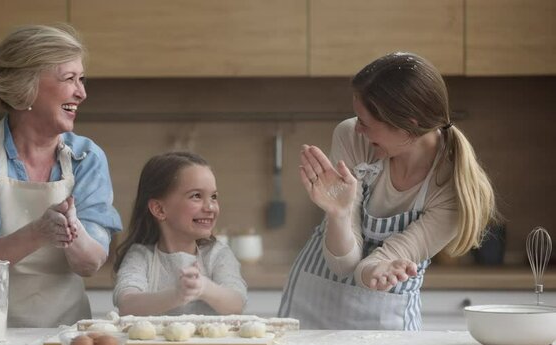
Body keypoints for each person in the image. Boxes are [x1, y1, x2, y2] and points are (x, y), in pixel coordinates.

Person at [278, 52, 498, 330]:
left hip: (386, 314)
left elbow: (379, 262)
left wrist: (376, 271)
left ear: (410, 124)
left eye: (366, 123)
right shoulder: (352, 138)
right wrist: (339, 213)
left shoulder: (456, 190)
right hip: (314, 300)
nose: (357, 128)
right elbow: (343, 266)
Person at [0, 24, 122, 327]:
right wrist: (40, 231)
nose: (82, 92)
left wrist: (70, 229)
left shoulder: (88, 158)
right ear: (27, 85)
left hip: (59, 335)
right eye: (69, 79)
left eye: (82, 79)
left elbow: (89, 264)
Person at [113, 151, 247, 316]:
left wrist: (204, 287)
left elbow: (236, 304)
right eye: (196, 196)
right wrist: (177, 295)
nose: (210, 207)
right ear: (159, 209)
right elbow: (127, 305)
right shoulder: (140, 256)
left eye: (213, 197)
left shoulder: (218, 254)